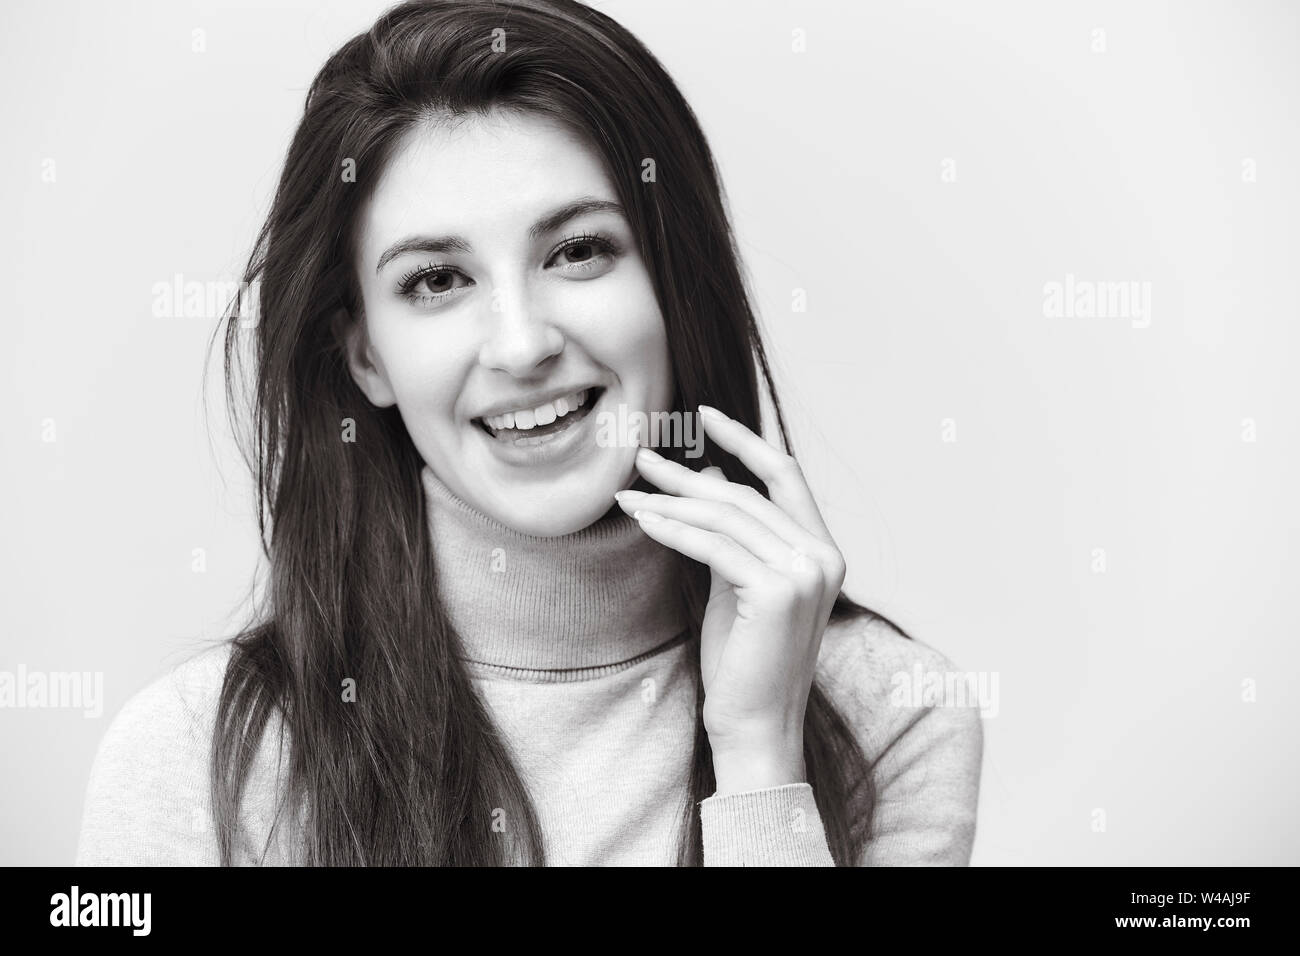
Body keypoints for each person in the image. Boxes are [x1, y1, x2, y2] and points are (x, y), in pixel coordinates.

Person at [75, 0, 982, 866]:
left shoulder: (890, 713)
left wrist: (757, 758)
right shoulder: (194, 760)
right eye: (436, 280)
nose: (521, 345)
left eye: (577, 251)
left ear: (674, 279)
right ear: (367, 359)